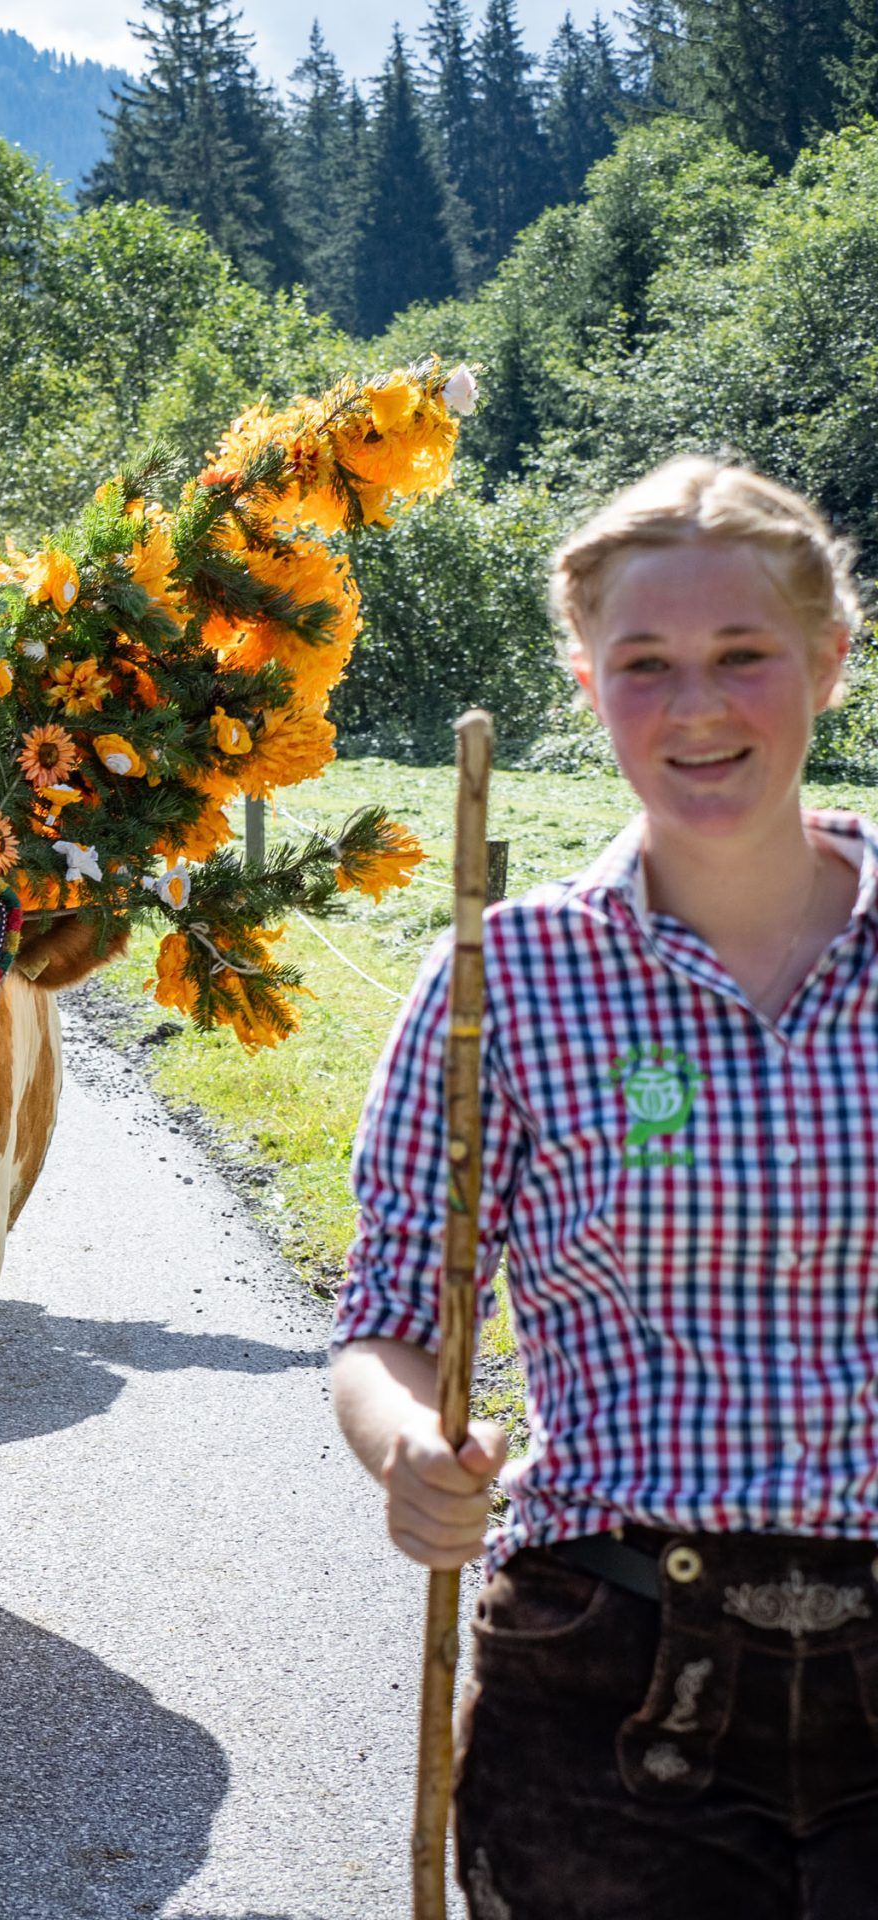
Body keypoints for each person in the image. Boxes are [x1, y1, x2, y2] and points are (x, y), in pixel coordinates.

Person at [332, 456, 878, 1916]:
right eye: (646, 665)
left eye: (742, 655)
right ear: (588, 682)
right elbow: (385, 1316)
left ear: (829, 658)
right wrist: (404, 1448)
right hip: (609, 1680)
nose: (697, 706)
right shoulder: (502, 980)